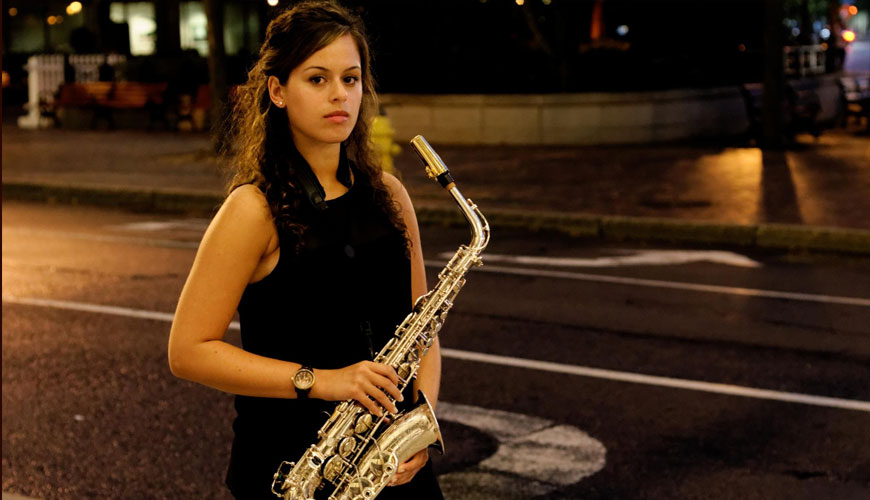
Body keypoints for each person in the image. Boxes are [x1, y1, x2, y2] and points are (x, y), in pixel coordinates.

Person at [167, 2, 443, 499]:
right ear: (277, 91)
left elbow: (421, 333)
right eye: (317, 79)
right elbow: (188, 352)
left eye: (351, 79)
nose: (340, 94)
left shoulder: (391, 196)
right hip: (290, 471)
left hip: (391, 470)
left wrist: (418, 430)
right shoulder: (252, 210)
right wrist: (323, 381)